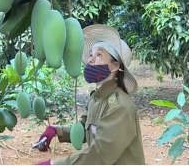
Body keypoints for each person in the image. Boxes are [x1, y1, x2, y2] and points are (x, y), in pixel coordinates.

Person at [35, 24, 146, 165]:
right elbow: (85, 129)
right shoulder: (96, 98)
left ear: (115, 66)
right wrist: (57, 131)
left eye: (99, 54)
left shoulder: (120, 107)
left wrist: (53, 164)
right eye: (91, 55)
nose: (91, 60)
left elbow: (99, 155)